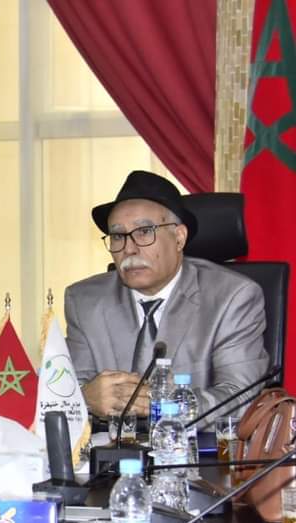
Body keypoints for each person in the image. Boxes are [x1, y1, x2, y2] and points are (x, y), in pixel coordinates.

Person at [65, 170, 268, 419]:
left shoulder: (232, 297)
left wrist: (164, 406)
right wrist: (84, 399)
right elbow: (64, 392)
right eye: (118, 236)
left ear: (179, 237)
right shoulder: (84, 301)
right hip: (110, 441)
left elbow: (241, 398)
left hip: (196, 443)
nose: (129, 248)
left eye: (144, 232)